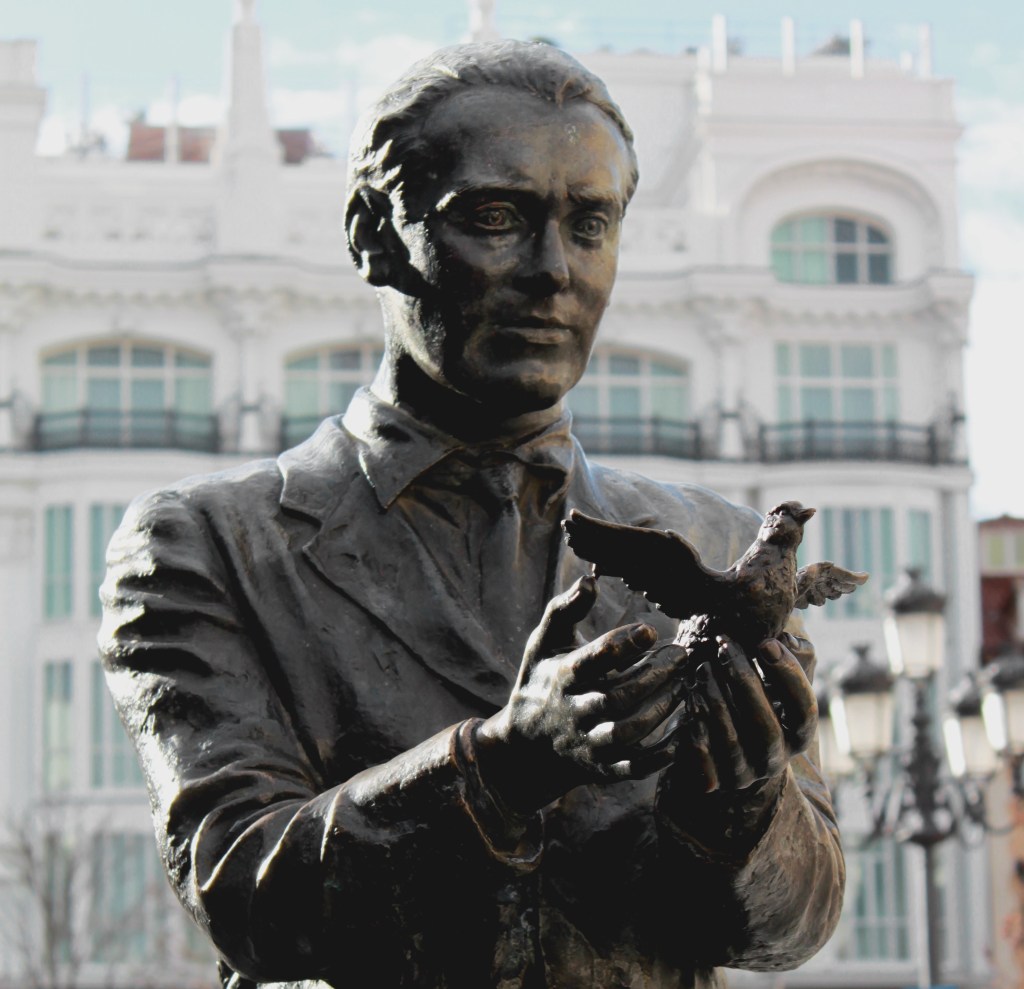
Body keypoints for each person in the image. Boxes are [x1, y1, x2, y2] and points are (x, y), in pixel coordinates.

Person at [99, 40, 843, 989]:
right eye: (496, 217)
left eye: (589, 224)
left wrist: (740, 807)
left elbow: (794, 928)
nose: (553, 270)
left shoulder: (722, 546)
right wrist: (500, 766)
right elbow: (243, 889)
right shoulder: (206, 544)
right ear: (373, 234)